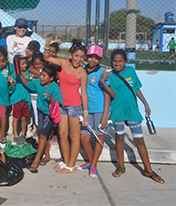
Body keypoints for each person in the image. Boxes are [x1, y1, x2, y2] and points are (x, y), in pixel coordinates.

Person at [99, 49, 164, 184]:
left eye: (120, 61)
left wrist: (145, 103)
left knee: (139, 140)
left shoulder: (131, 71)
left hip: (132, 111)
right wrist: (103, 81)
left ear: (125, 61)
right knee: (119, 139)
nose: (117, 63)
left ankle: (148, 170)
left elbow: (137, 88)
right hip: (118, 112)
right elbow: (113, 94)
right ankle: (121, 167)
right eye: (115, 61)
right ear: (111, 61)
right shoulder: (111, 75)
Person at [43, 39, 89, 174]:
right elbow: (46, 57)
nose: (79, 59)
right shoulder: (64, 63)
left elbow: (84, 94)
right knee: (62, 135)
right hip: (62, 105)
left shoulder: (82, 73)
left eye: (81, 57)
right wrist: (48, 45)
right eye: (76, 56)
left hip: (75, 107)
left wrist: (85, 114)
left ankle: (71, 165)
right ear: (71, 55)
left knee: (74, 137)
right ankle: (66, 160)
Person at [17, 64, 63, 173]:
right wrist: (20, 75)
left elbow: (58, 102)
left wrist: (51, 99)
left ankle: (36, 161)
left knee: (42, 135)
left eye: (44, 76)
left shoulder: (55, 87)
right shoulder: (38, 82)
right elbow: (28, 84)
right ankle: (47, 156)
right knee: (41, 133)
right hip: (40, 111)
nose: (41, 77)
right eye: (41, 75)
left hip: (49, 114)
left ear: (51, 78)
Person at [77, 45, 111, 178]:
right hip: (84, 109)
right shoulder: (82, 70)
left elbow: (107, 94)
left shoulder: (103, 73)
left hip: (99, 109)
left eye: (96, 58)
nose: (92, 60)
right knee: (84, 138)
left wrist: (105, 115)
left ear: (100, 59)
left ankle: (94, 165)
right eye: (90, 57)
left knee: (98, 136)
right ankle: (91, 162)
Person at [9, 56, 31, 143]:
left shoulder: (27, 73)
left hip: (25, 99)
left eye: (26, 63)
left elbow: (28, 84)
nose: (25, 65)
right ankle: (15, 135)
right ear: (16, 65)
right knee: (16, 118)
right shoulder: (13, 74)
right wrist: (11, 83)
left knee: (24, 118)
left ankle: (23, 134)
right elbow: (12, 88)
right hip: (16, 100)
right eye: (22, 64)